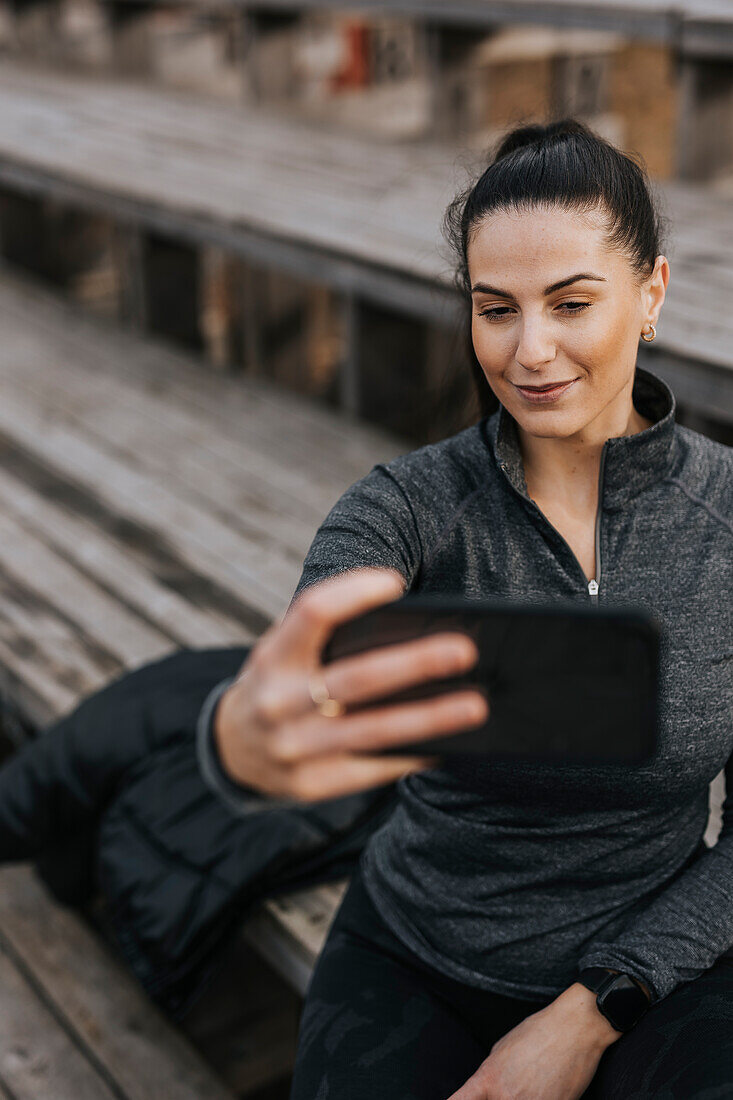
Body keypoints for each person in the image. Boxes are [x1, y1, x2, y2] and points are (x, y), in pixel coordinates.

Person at [198, 119, 733, 1098]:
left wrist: (593, 1006)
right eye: (495, 309)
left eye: (571, 302)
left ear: (651, 292)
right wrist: (264, 712)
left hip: (651, 957)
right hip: (415, 949)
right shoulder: (406, 504)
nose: (530, 350)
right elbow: (314, 641)